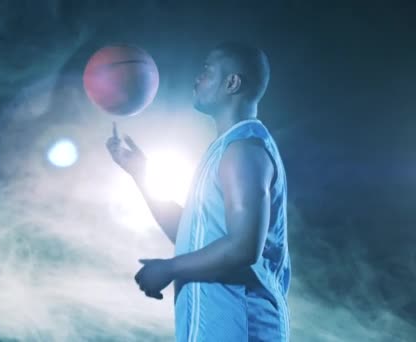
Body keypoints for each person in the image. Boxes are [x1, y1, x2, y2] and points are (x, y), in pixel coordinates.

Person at [106, 42, 291, 341]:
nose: (198, 78)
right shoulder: (225, 150)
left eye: (207, 71)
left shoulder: (244, 150)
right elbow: (190, 237)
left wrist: (170, 268)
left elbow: (244, 247)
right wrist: (140, 173)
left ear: (232, 83)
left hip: (241, 330)